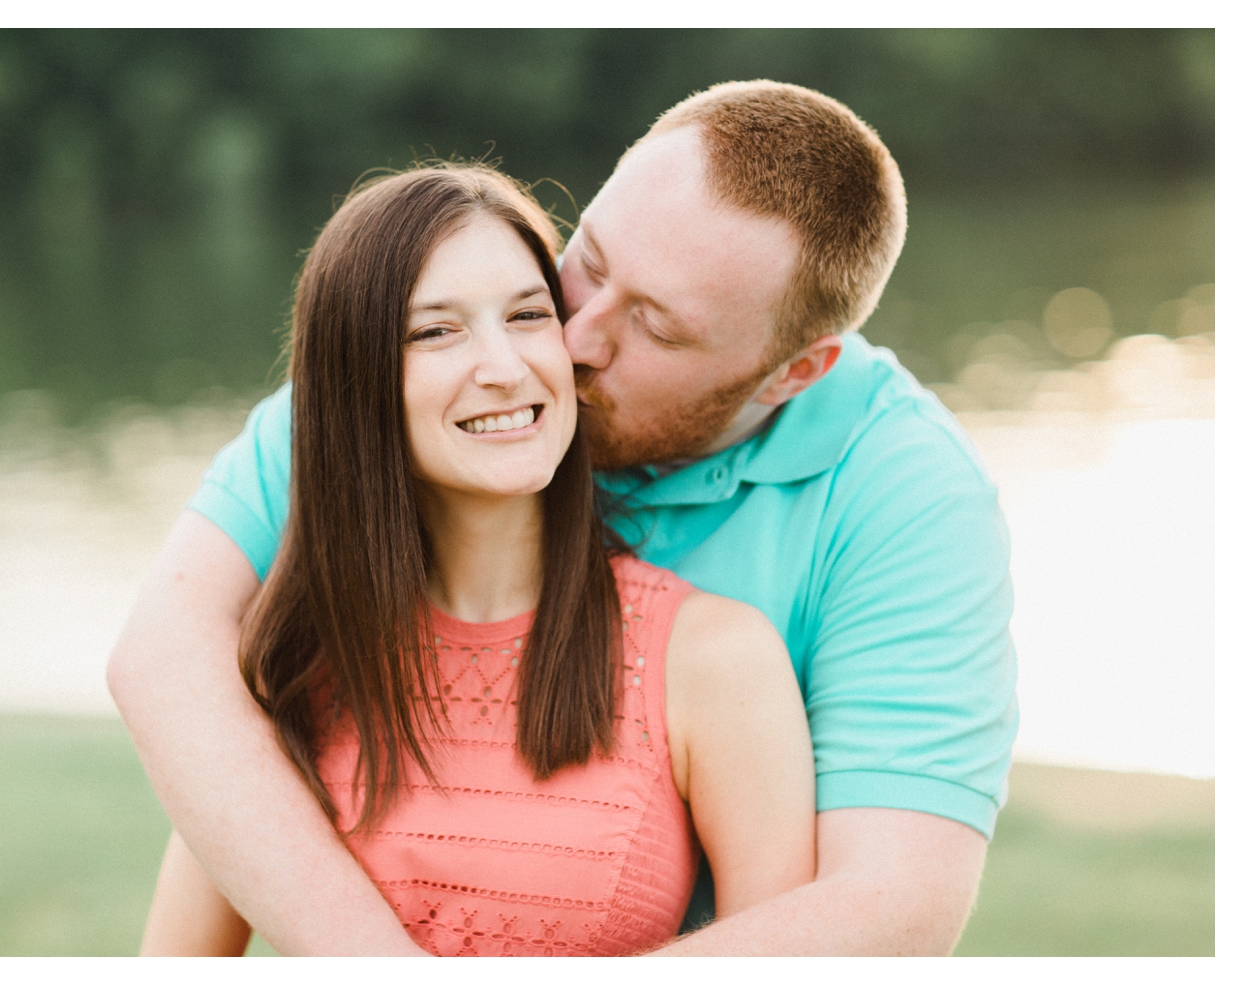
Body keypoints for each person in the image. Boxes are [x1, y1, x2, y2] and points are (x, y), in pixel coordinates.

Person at [108, 79, 1018, 956]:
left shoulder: (908, 499)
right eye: (587, 259)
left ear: (791, 373)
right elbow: (165, 656)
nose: (571, 340)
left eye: (656, 327)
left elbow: (893, 903)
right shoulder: (433, 389)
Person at [135, 164, 816, 956]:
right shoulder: (289, 664)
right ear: (355, 386)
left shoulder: (714, 660)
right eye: (436, 331)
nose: (504, 365)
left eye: (528, 315)